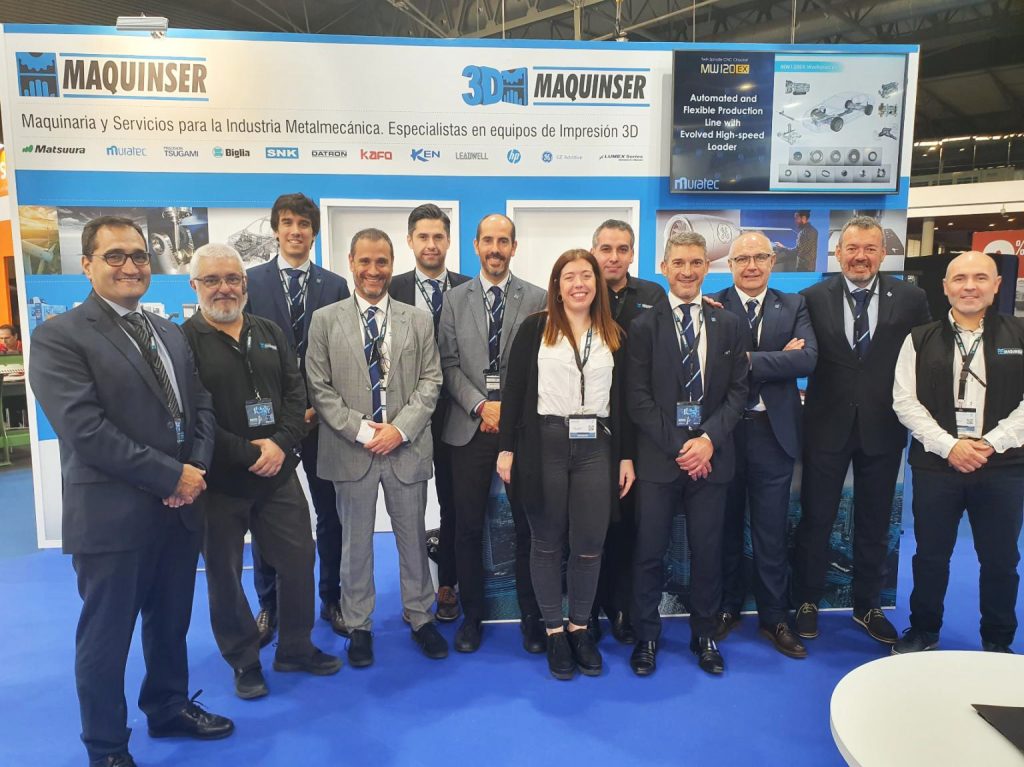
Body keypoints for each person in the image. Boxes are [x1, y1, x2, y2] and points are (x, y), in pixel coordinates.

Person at [29, 216, 233, 767]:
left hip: (179, 511)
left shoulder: (168, 331)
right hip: (112, 518)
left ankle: (167, 708)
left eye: (139, 256)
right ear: (87, 264)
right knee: (106, 637)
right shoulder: (60, 337)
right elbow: (86, 431)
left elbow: (200, 405)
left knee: (170, 623)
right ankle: (106, 746)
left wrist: (194, 468)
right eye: (115, 256)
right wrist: (171, 477)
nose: (131, 266)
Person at [183, 243, 341, 700]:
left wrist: (280, 444)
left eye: (232, 279)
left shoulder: (268, 331)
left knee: (299, 557)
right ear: (195, 286)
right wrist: (247, 453)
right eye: (212, 280)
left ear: (245, 284)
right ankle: (244, 660)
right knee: (224, 573)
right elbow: (194, 416)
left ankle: (295, 647)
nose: (224, 288)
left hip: (277, 473)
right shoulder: (183, 341)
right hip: (219, 481)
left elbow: (296, 395)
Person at [306, 228, 448, 667]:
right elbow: (319, 387)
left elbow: (431, 381)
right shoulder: (325, 320)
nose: (373, 270)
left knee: (413, 539)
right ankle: (359, 625)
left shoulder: (417, 320)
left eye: (381, 262)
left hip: (405, 448)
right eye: (365, 261)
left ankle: (421, 616)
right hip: (351, 450)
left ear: (392, 264)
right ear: (351, 262)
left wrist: (398, 430)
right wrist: (363, 431)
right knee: (354, 544)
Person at [792, 215, 931, 645]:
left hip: (883, 428)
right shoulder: (811, 298)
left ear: (883, 253)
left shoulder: (910, 298)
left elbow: (926, 358)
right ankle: (807, 600)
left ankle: (867, 605)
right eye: (852, 248)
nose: (860, 256)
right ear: (838, 253)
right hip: (825, 428)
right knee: (816, 518)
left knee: (874, 520)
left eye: (870, 249)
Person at [498, 249, 635, 679]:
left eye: (586, 276)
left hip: (597, 447)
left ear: (597, 284)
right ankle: (554, 631)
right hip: (545, 444)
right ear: (557, 285)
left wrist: (626, 456)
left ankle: (579, 628)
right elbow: (514, 391)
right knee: (546, 542)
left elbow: (623, 403)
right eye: (569, 276)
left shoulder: (614, 333)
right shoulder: (535, 328)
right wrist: (506, 449)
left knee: (590, 544)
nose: (579, 284)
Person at [627, 231, 749, 677]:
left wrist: (708, 440)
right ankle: (646, 635)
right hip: (661, 460)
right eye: (678, 263)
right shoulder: (643, 326)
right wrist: (682, 446)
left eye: (696, 262)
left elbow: (738, 392)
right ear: (663, 268)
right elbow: (637, 398)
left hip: (712, 460)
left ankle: (705, 634)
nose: (687, 271)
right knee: (649, 552)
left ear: (707, 267)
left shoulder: (728, 323)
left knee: (708, 552)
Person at [892, 251, 1024, 655]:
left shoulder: (1019, 333)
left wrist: (992, 442)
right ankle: (924, 630)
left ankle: (997, 640)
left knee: (1001, 559)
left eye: (980, 278)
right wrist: (950, 446)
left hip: (1003, 466)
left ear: (997, 285)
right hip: (936, 465)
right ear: (945, 287)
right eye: (960, 278)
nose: (970, 286)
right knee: (930, 556)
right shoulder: (919, 338)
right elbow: (905, 401)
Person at [438, 213, 547, 654]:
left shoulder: (538, 298)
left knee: (526, 528)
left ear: (514, 247)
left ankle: (531, 618)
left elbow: (541, 367)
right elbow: (447, 364)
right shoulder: (453, 300)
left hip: (519, 430)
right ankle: (473, 617)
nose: (496, 249)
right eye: (488, 241)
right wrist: (482, 406)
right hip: (469, 427)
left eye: (504, 241)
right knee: (466, 527)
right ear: (476, 246)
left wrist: (509, 410)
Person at [246, 193, 350, 645]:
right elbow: (245, 356)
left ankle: (332, 597)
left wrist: (318, 406)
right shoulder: (251, 281)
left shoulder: (335, 285)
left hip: (322, 420)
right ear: (275, 229)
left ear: (314, 232)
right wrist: (283, 413)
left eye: (304, 224)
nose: (295, 231)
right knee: (266, 514)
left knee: (330, 514)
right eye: (287, 222)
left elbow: (343, 355)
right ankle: (269, 604)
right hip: (270, 424)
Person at [710, 232, 817, 659]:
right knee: (724, 529)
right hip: (725, 434)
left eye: (759, 257)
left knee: (771, 533)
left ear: (773, 261)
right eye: (742, 259)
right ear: (730, 265)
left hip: (774, 434)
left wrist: (746, 359)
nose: (751, 265)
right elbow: (711, 364)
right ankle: (727, 607)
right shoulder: (713, 305)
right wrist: (777, 357)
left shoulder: (794, 305)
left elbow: (806, 359)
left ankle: (775, 617)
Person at [389, 203, 470, 622]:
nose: (431, 244)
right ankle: (414, 590)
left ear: (449, 241)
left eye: (438, 236)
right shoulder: (391, 289)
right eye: (423, 236)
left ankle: (448, 584)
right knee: (409, 509)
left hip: (459, 415)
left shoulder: (470, 289)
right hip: (407, 417)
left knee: (454, 503)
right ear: (410, 240)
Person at [588, 219, 667, 645]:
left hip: (636, 430)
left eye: (622, 249)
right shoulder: (579, 292)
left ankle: (622, 607)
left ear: (633, 254)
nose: (614, 257)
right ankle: (588, 608)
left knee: (629, 525)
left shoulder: (653, 296)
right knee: (589, 523)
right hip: (588, 426)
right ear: (594, 251)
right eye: (606, 248)